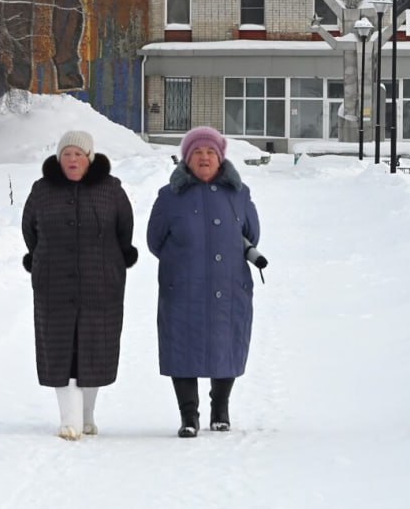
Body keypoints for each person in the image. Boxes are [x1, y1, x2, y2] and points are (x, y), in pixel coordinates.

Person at [22, 130, 137, 440]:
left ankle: (87, 416)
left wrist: (113, 261)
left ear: (89, 158)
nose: (72, 159)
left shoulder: (110, 190)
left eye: (78, 154)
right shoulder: (42, 191)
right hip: (53, 283)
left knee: (93, 349)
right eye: (67, 154)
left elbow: (124, 229)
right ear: (59, 159)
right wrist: (42, 259)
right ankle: (68, 420)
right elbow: (30, 231)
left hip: (101, 283)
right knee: (60, 350)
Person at [147, 126, 261, 437]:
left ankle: (220, 409)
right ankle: (188, 416)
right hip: (182, 287)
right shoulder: (169, 197)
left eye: (210, 152)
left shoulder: (239, 194)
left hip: (229, 285)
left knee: (226, 344)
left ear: (220, 158)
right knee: (181, 347)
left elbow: (251, 234)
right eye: (197, 152)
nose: (204, 157)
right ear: (187, 159)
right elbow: (154, 241)